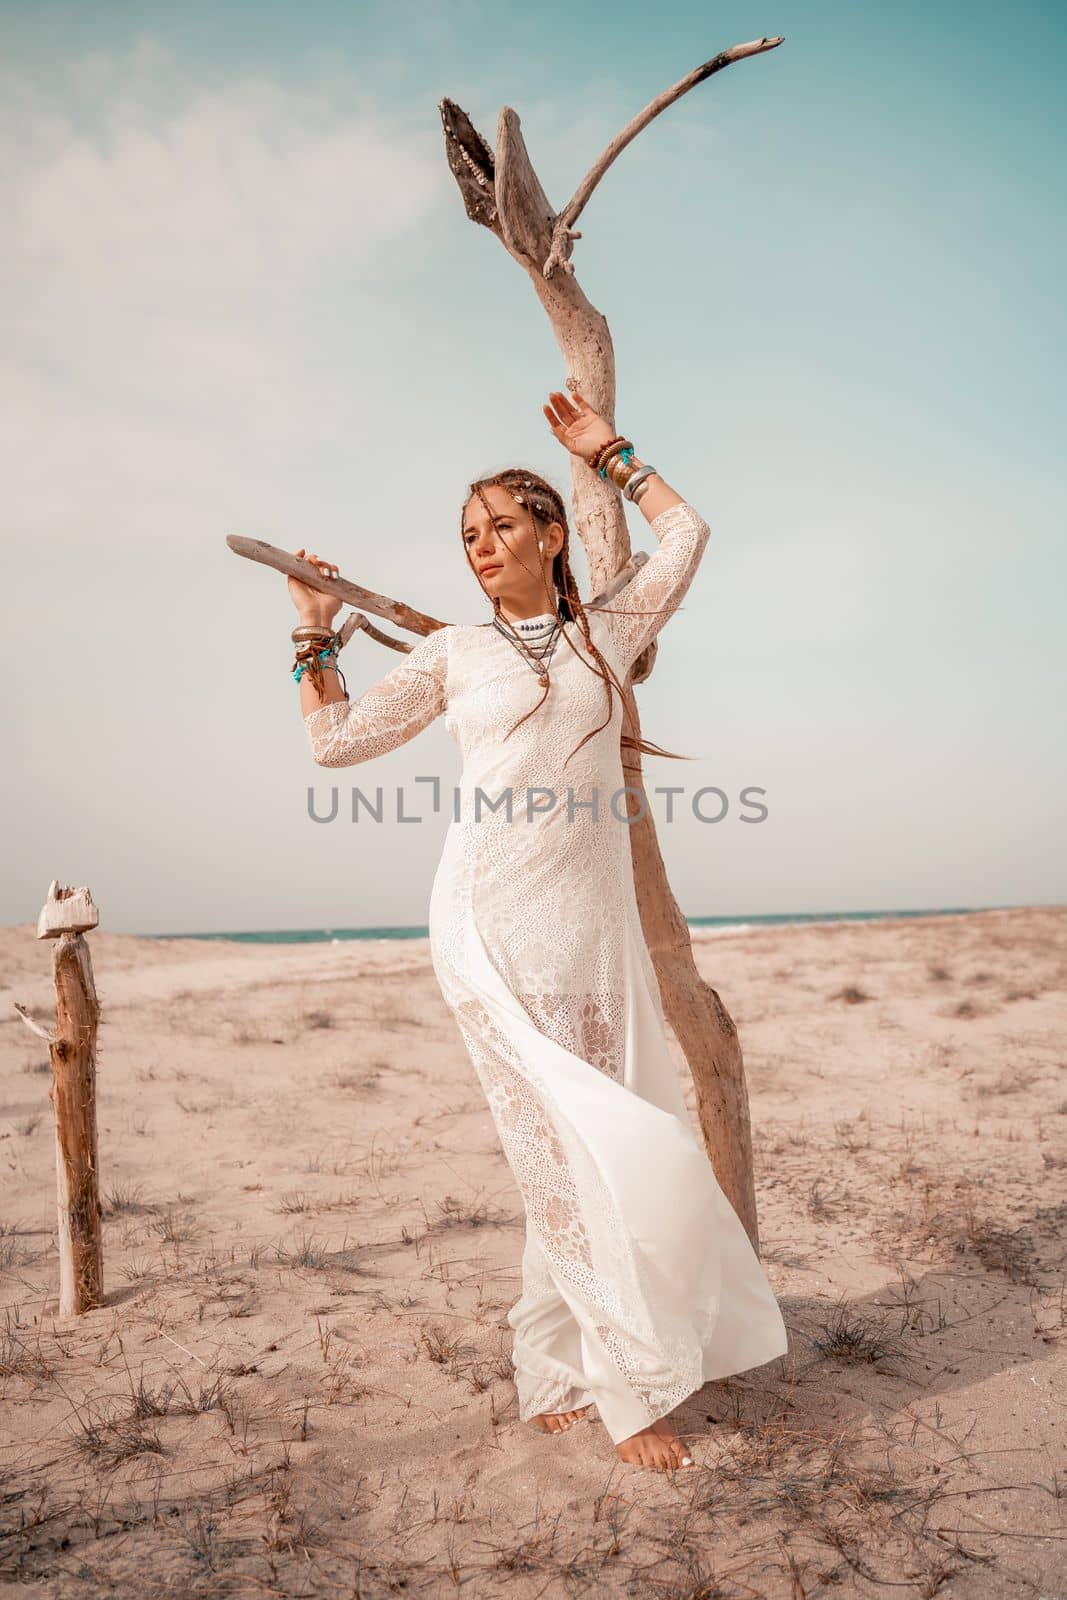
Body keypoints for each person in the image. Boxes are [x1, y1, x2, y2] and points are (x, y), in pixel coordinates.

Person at [286, 388, 788, 1473]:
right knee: (575, 1148)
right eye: (466, 536)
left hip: (590, 939)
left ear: (551, 533)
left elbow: (687, 533)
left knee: (575, 1149)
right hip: (487, 927)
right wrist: (309, 637)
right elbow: (334, 747)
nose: (480, 548)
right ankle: (623, 1386)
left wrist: (609, 454)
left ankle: (548, 1368)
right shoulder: (453, 654)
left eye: (501, 526)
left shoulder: (607, 631)